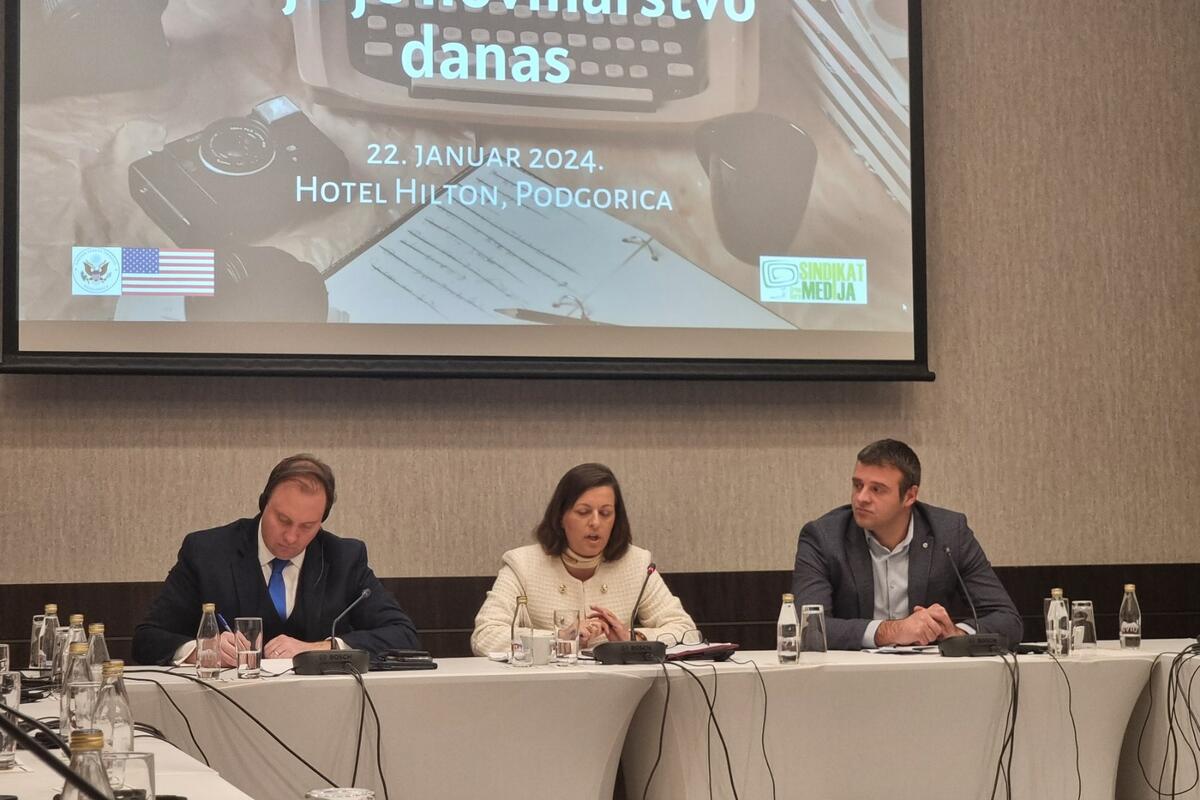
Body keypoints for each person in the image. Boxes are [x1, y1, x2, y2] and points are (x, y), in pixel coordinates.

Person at [132, 454, 420, 666]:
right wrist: (202, 650)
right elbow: (147, 639)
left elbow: (403, 635)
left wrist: (320, 648)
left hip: (324, 710)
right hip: (225, 709)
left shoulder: (344, 558)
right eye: (282, 520)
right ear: (264, 503)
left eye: (307, 526)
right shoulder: (207, 552)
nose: (291, 537)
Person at [792, 440, 1023, 650]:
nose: (861, 498)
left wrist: (956, 633)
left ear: (910, 496)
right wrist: (892, 631)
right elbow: (809, 628)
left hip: (930, 675)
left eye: (877, 489)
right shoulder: (823, 537)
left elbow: (1007, 619)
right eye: (857, 485)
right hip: (851, 675)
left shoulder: (950, 533)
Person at [471, 463, 697, 655]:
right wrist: (561, 638)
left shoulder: (636, 564)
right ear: (561, 517)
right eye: (583, 512)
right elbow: (485, 636)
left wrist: (633, 639)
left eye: (605, 513)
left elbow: (687, 632)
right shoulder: (523, 565)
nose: (595, 523)